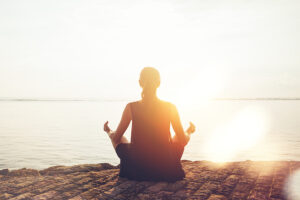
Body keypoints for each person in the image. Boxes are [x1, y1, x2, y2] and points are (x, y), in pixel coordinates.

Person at [103, 67, 195, 182]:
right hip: (165, 166)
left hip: (137, 167)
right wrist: (188, 132)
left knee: (120, 137)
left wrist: (108, 131)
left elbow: (116, 138)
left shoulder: (131, 107)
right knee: (178, 137)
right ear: (159, 83)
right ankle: (190, 130)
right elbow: (183, 140)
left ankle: (108, 131)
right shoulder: (170, 107)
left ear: (140, 83)